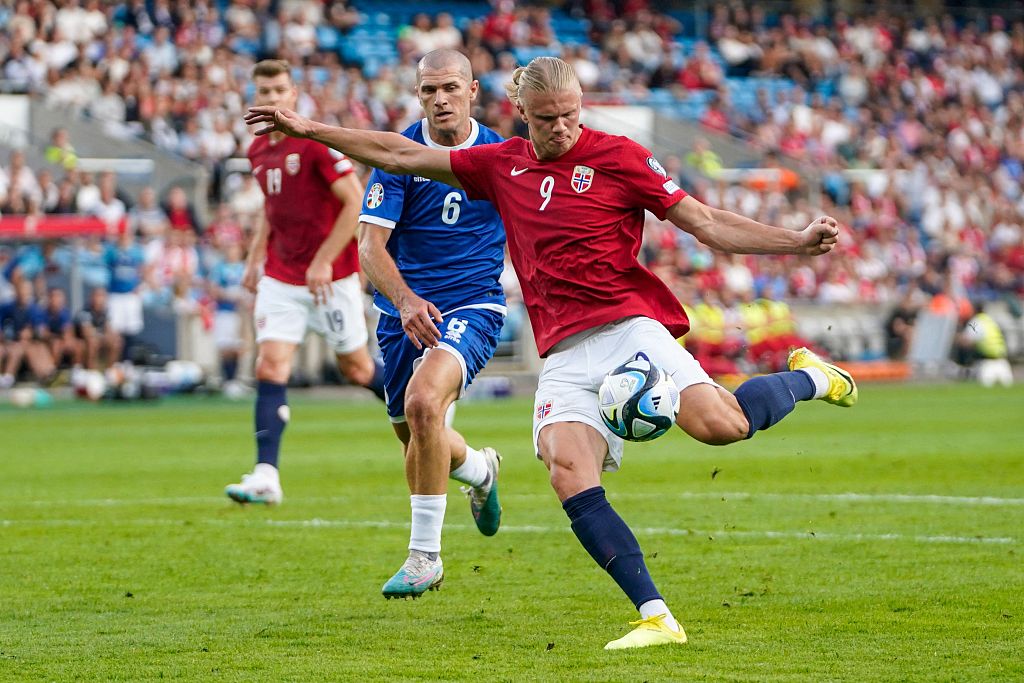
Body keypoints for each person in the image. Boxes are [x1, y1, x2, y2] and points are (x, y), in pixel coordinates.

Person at [245, 56, 857, 650]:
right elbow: (402, 154)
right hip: (562, 352)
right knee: (565, 470)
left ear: (581, 106)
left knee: (724, 426)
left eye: (568, 114)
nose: (560, 128)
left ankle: (810, 377)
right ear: (519, 113)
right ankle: (655, 615)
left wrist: (797, 243)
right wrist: (312, 129)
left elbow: (706, 223)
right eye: (545, 119)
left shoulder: (621, 157)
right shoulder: (500, 165)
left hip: (628, 328)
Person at [356, 49, 507, 599]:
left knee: (424, 405)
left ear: (472, 90)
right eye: (427, 90)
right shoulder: (399, 155)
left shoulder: (501, 156)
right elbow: (370, 246)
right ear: (417, 95)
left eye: (449, 88)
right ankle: (480, 471)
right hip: (405, 314)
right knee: (416, 435)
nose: (439, 99)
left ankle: (425, 558)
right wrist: (404, 299)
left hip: (473, 306)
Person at [225, 59, 387, 506]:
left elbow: (355, 202)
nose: (272, 98)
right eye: (265, 91)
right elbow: (271, 207)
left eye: (280, 90)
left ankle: (424, 403)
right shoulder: (258, 148)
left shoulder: (315, 144)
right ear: (254, 96)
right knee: (270, 365)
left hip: (330, 277)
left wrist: (322, 260)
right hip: (282, 275)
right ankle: (266, 475)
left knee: (357, 369)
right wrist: (256, 255)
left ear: (293, 95)